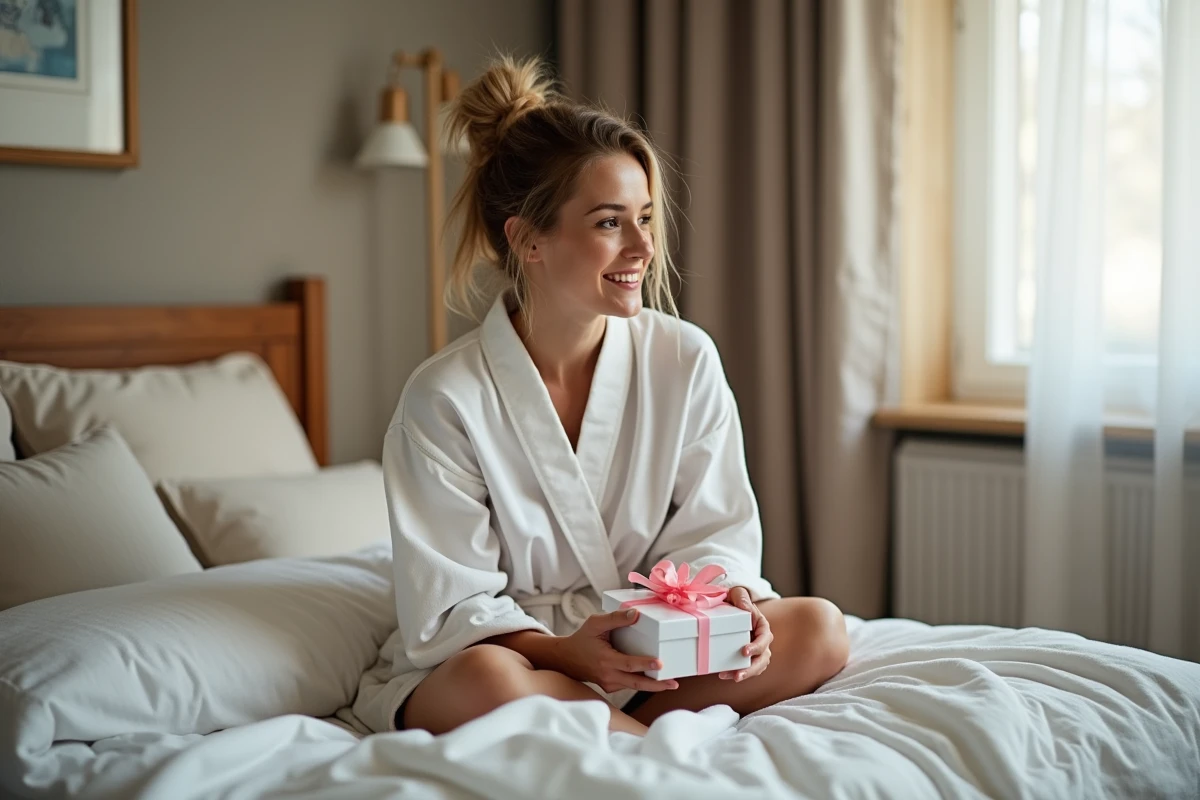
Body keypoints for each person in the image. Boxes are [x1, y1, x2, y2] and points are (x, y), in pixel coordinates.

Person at [372, 55, 849, 737]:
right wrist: (568, 651)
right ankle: (643, 742)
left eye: (645, 218)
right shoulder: (444, 398)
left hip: (653, 649)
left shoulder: (684, 359)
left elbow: (715, 532)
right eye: (608, 223)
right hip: (520, 655)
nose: (643, 247)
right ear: (528, 239)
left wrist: (734, 605)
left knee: (818, 628)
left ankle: (614, 735)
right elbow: (452, 607)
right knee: (485, 680)